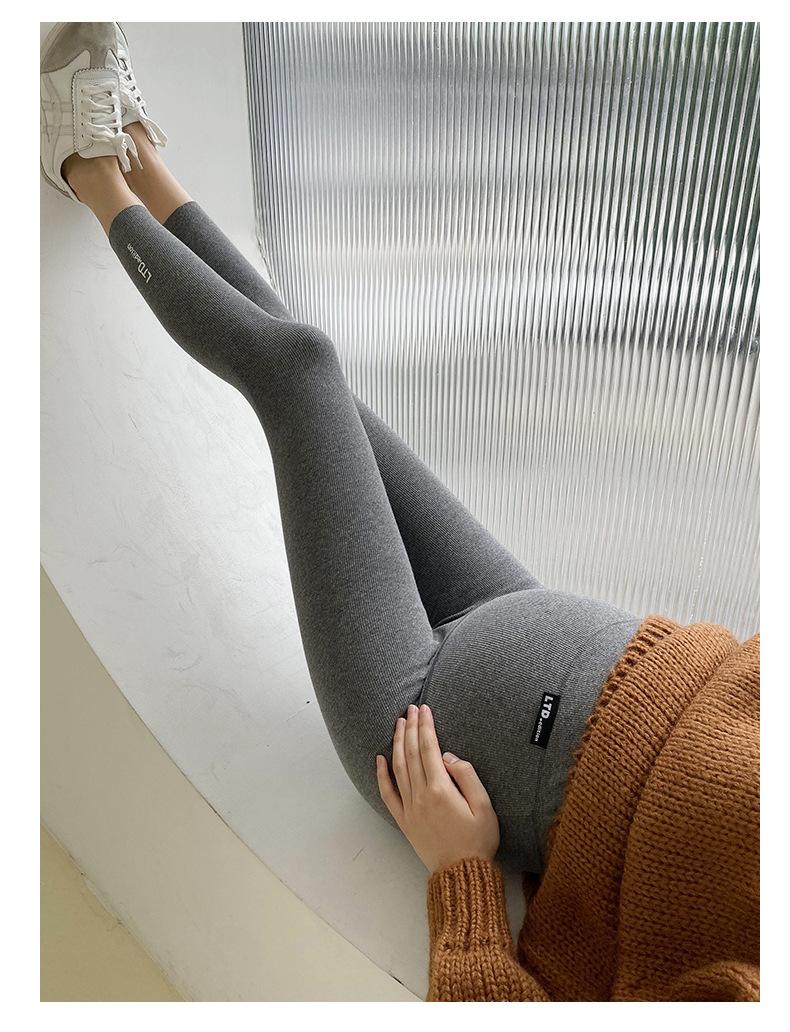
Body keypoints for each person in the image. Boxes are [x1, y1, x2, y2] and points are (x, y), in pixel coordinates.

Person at [40, 23, 760, 1002]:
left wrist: (463, 876)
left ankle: (86, 167)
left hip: (429, 719)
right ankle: (138, 154)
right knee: (321, 374)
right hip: (596, 643)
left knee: (299, 374)